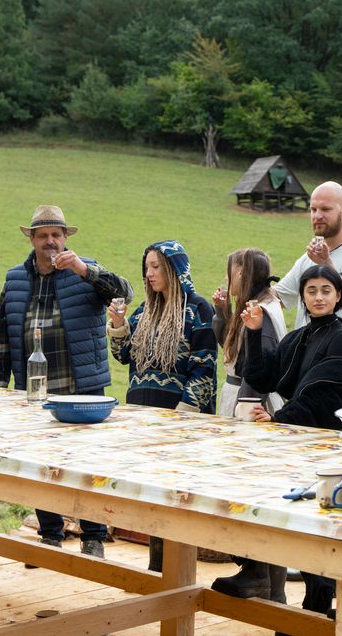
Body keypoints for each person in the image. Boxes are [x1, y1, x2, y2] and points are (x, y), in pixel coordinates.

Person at [215, 265, 342, 616]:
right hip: (299, 447)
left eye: (326, 290)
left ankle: (315, 610)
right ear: (303, 296)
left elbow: (323, 394)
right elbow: (261, 375)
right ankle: (299, 608)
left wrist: (278, 418)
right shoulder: (298, 336)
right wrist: (254, 333)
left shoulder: (340, 336)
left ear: (337, 296)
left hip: (328, 449)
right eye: (311, 290)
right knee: (303, 526)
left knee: (321, 529)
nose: (318, 297)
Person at [0, 205, 133, 561]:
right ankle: (50, 534)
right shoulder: (15, 278)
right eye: (43, 235)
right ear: (33, 240)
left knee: (87, 464)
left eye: (56, 235)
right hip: (36, 388)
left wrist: (84, 270)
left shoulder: (88, 271)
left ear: (66, 238)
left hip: (83, 385)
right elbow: (2, 334)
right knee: (41, 464)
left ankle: (93, 536)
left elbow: (125, 292)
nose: (50, 241)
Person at [109, 240, 216, 572]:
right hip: (142, 418)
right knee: (153, 499)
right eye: (147, 267)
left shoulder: (199, 310)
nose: (150, 273)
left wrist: (184, 416)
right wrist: (118, 323)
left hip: (177, 422)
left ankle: (174, 573)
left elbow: (205, 366)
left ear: (174, 268)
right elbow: (123, 355)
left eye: (156, 266)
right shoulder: (145, 310)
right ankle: (157, 569)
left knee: (175, 499)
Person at [275, 181, 342, 364]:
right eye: (313, 209)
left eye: (325, 209)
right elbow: (278, 297)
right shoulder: (307, 258)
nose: (317, 216)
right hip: (305, 367)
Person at [211, 248, 286, 417]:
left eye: (228, 272)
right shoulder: (256, 304)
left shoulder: (261, 311)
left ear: (240, 272)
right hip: (238, 396)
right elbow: (235, 353)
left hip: (250, 402)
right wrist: (223, 312)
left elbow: (259, 368)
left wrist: (246, 408)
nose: (226, 278)